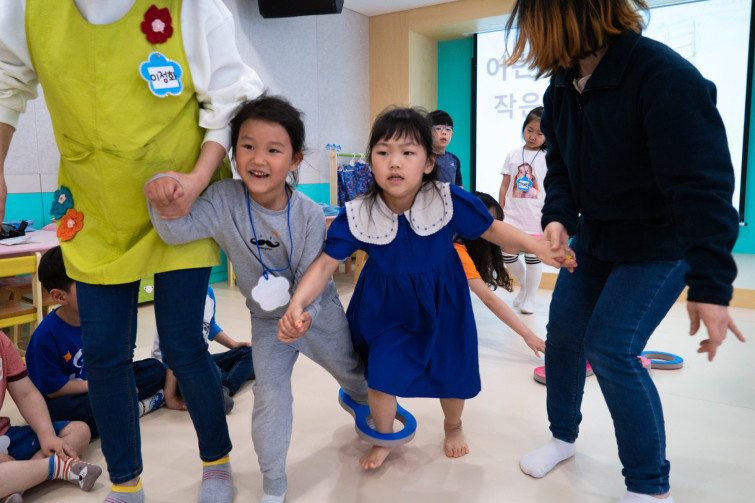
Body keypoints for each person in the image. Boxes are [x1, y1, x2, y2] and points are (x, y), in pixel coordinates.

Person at [0, 2, 264, 501]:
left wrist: (197, 179)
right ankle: (127, 483)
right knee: (104, 356)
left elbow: (229, 100)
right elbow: (5, 79)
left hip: (181, 203)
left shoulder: (193, 7)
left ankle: (216, 461)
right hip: (97, 208)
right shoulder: (25, 9)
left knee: (184, 346)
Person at [503, 1, 746, 502]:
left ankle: (649, 486)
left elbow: (703, 188)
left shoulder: (665, 77)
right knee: (564, 336)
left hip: (660, 241)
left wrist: (711, 284)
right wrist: (557, 217)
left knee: (610, 347)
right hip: (596, 238)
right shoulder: (560, 87)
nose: (532, 41)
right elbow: (561, 169)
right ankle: (562, 438)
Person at [278, 106, 574, 470]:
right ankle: (385, 436)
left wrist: (537, 246)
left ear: (429, 163)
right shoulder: (359, 212)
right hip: (387, 310)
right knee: (381, 376)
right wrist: (297, 303)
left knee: (451, 373)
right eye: (383, 152)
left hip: (444, 303)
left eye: (408, 152)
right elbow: (325, 264)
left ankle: (453, 425)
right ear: (371, 162)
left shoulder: (447, 199)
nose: (394, 162)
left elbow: (492, 229)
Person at [148, 94, 369, 503]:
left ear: (295, 159)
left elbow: (313, 279)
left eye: (273, 149)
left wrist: (302, 314)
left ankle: (371, 414)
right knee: (270, 396)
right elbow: (176, 231)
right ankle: (274, 486)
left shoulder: (307, 214)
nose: (258, 158)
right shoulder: (224, 200)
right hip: (267, 324)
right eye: (247, 146)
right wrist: (160, 193)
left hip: (317, 316)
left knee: (353, 376)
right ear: (233, 152)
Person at [26, 246, 167, 437]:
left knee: (155, 369)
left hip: (101, 384)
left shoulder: (102, 317)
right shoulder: (45, 337)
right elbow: (53, 390)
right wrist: (102, 385)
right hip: (69, 397)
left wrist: (118, 379)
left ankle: (127, 407)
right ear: (59, 296)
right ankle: (140, 405)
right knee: (83, 409)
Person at [0, 330, 102, 502]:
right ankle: (58, 466)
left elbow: (26, 394)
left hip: (4, 436)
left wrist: (46, 435)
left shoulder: (2, 342)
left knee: (79, 431)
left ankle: (16, 482)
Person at [456, 192, 545, 357]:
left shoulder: (468, 242)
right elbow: (489, 299)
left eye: (495, 223)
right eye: (486, 223)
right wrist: (528, 335)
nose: (491, 228)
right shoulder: (456, 248)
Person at [152, 285, 254, 413]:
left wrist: (234, 345)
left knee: (249, 352)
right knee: (216, 371)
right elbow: (171, 349)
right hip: (173, 369)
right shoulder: (175, 292)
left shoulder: (208, 291)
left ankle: (224, 388)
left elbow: (210, 325)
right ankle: (233, 376)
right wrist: (170, 396)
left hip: (200, 359)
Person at [499, 107, 547, 314]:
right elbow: (504, 185)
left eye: (540, 133)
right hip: (512, 215)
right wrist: (500, 211)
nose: (533, 136)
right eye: (529, 130)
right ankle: (525, 287)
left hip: (536, 216)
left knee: (532, 257)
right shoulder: (513, 154)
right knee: (507, 255)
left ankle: (530, 299)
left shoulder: (549, 156)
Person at [428, 110, 463, 186]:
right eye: (438, 128)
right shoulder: (423, 158)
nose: (444, 132)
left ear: (452, 134)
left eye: (448, 129)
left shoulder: (454, 160)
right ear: (428, 132)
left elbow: (459, 188)